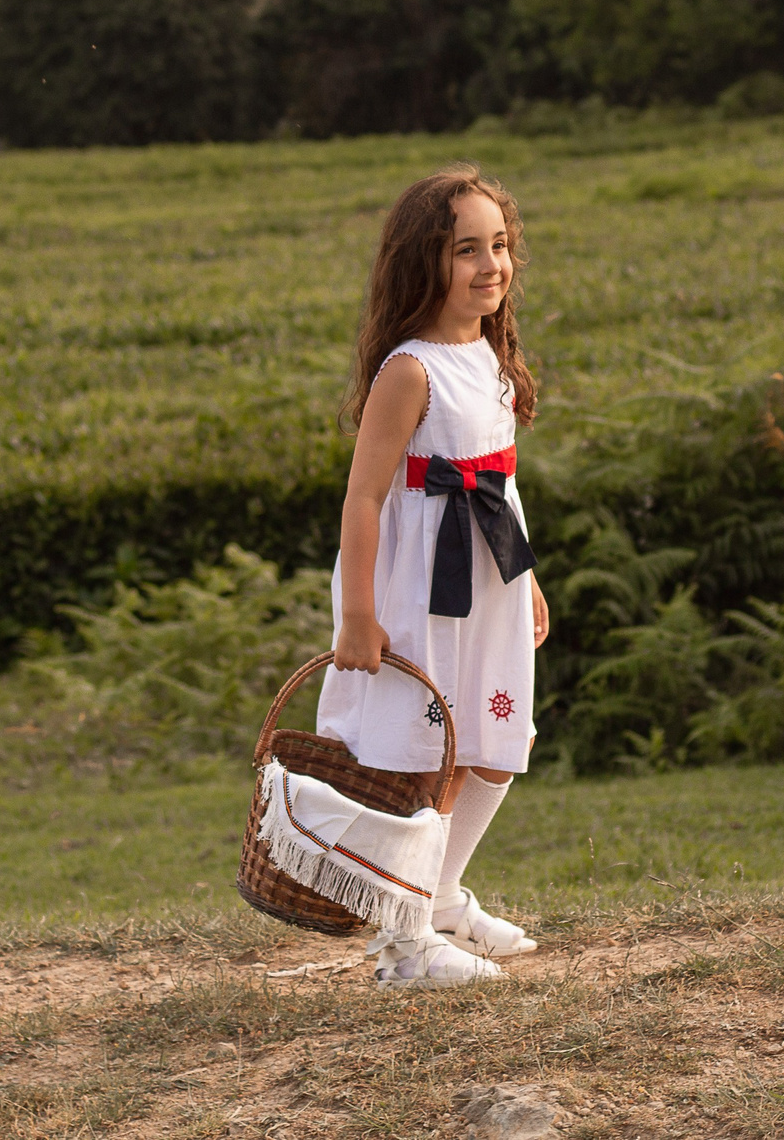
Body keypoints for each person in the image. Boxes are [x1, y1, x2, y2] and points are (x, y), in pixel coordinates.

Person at [317, 164, 550, 988]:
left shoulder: (488, 353)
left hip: (489, 580)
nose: (491, 265)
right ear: (424, 262)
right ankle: (402, 941)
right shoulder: (408, 370)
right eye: (466, 251)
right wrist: (357, 613)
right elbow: (365, 497)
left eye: (500, 246)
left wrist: (528, 581)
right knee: (433, 756)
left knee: (498, 739)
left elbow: (502, 483)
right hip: (419, 588)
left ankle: (443, 895)